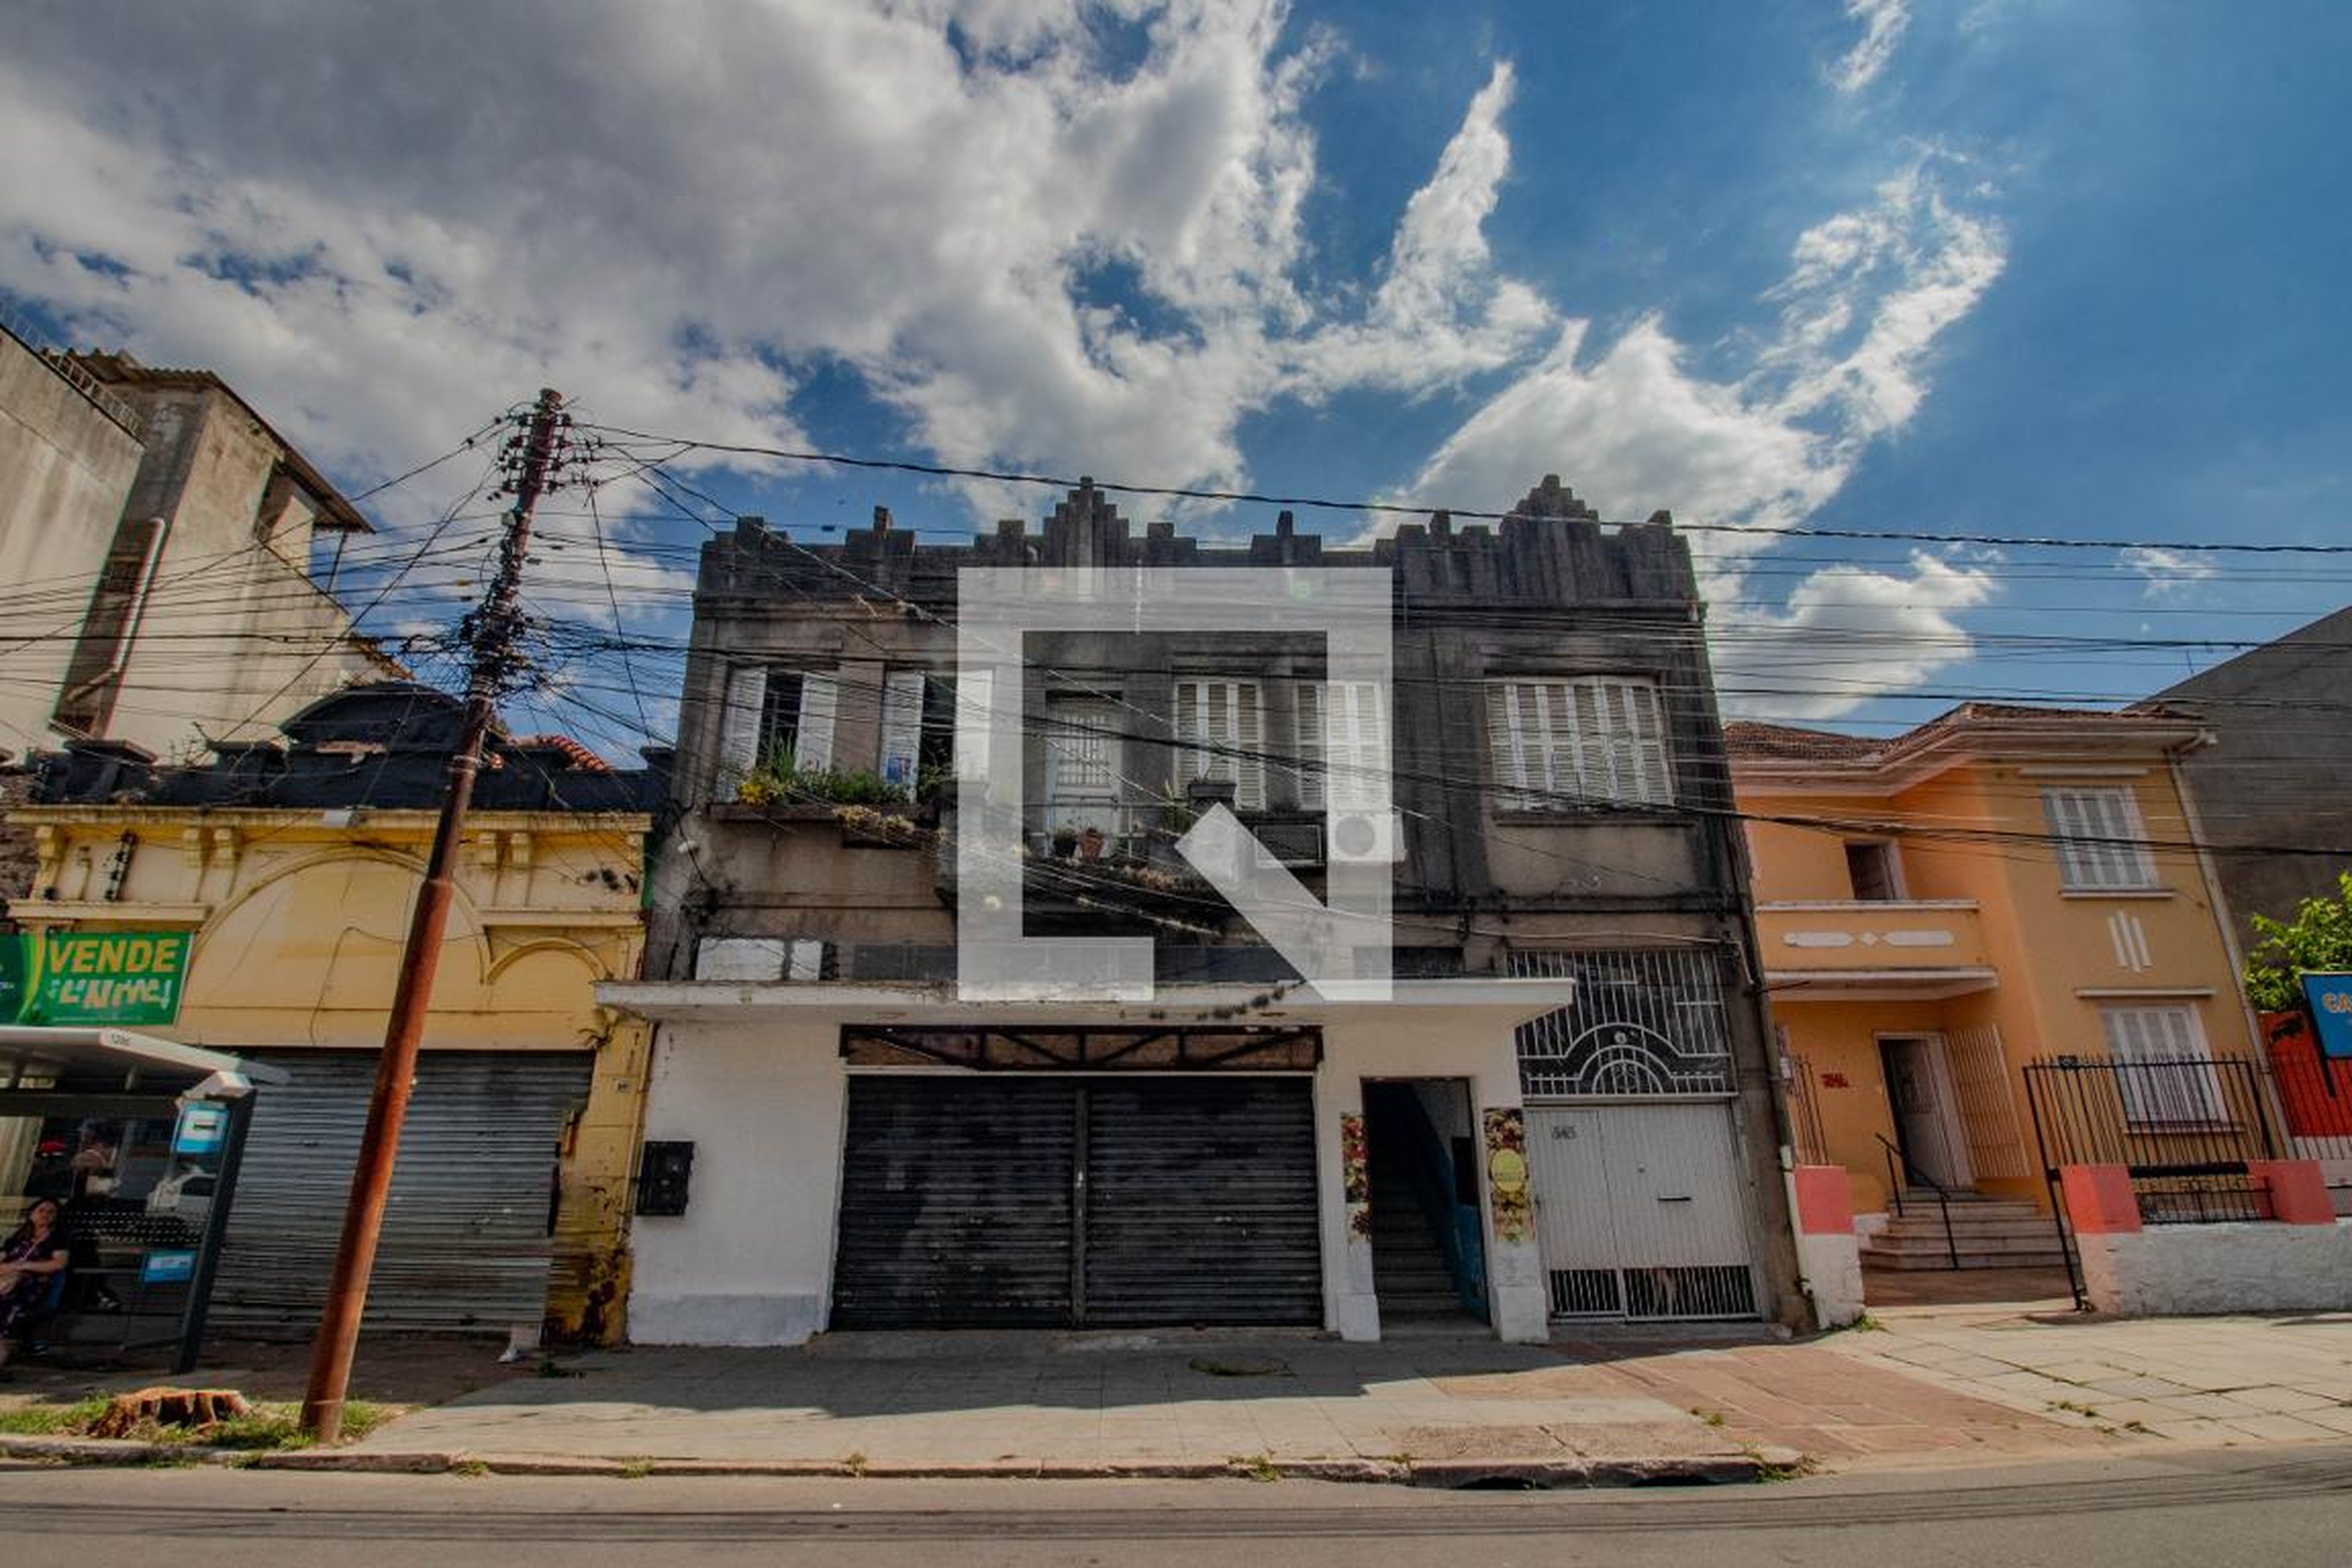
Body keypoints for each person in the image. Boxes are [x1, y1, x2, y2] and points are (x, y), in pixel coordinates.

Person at [0, 1197, 70, 1371]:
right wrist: (11, 1270)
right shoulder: (18, 1238)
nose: (45, 1215)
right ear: (31, 1214)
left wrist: (23, 1267)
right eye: (41, 1210)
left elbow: (58, 1264)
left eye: (50, 1212)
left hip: (32, 1286)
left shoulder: (57, 1239)